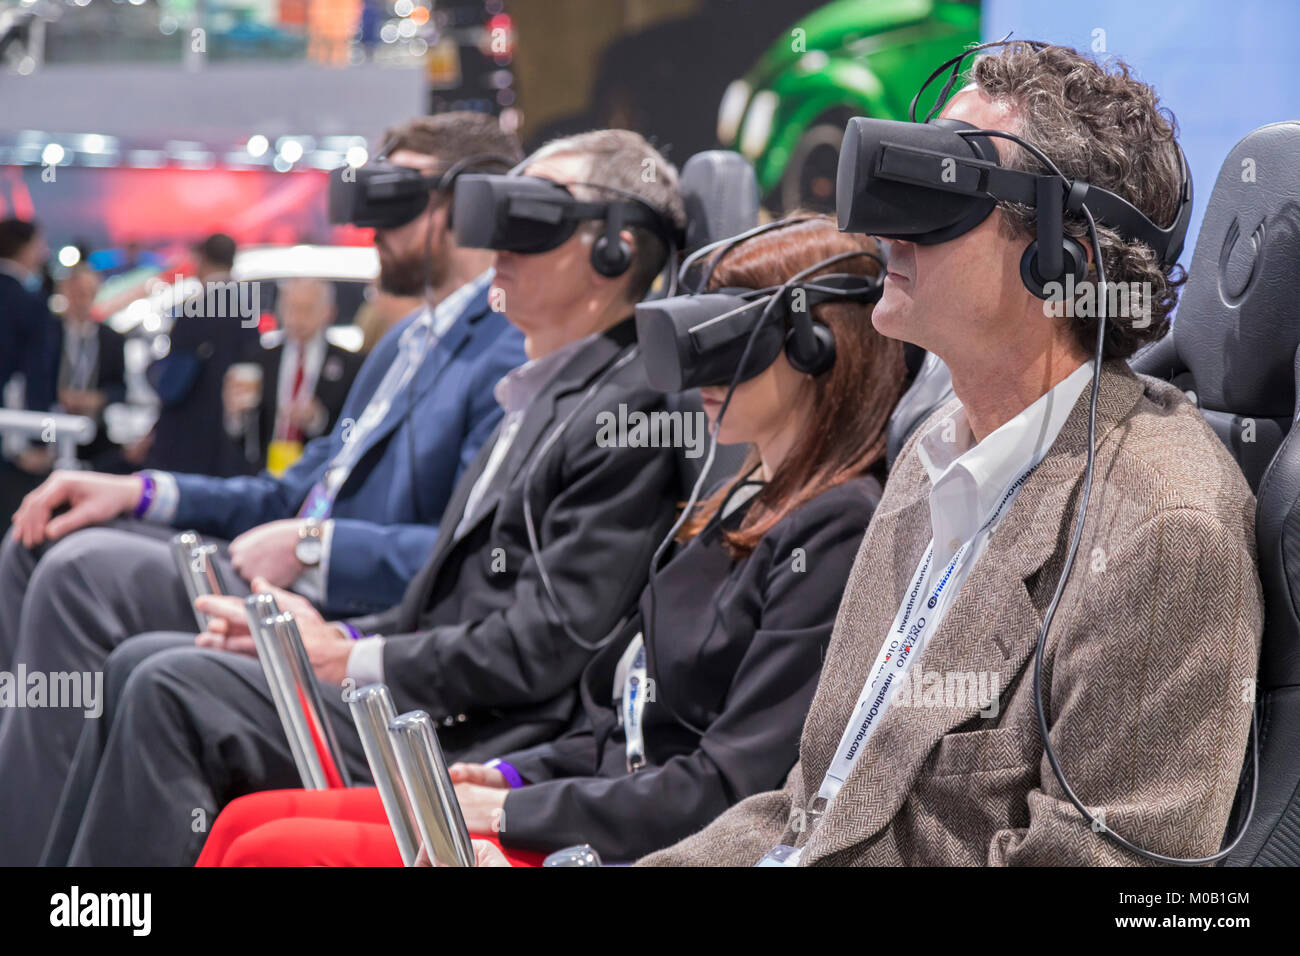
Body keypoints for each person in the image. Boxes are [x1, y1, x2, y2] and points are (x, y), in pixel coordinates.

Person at [633, 41, 1261, 867]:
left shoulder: (1162, 528)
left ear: (1061, 256)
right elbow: (809, 806)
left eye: (938, 188)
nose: (879, 223)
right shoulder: (933, 450)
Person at [49, 128, 691, 867]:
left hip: (481, 730)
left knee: (167, 684)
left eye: (531, 217)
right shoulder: (542, 393)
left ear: (616, 250)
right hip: (428, 691)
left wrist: (351, 657)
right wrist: (341, 640)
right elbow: (441, 596)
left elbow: (547, 645)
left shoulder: (628, 408)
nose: (496, 243)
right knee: (144, 663)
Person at [191, 217, 912, 867]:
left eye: (735, 343)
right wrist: (511, 776)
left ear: (817, 347)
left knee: (272, 851)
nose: (704, 375)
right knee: (245, 824)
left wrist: (516, 809)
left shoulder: (834, 527)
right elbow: (623, 721)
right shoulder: (738, 500)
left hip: (637, 844)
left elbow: (728, 789)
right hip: (580, 800)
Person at [0, 112, 528, 866]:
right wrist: (142, 491)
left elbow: (466, 554)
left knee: (79, 576)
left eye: (394, 199)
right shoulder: (404, 346)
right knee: (47, 542)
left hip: (335, 609)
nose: (370, 227)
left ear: (465, 203)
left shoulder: (505, 350)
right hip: (275, 576)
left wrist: (317, 546)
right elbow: (292, 495)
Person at [141, 232, 262, 477]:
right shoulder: (246, 308)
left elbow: (174, 381)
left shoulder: (196, 309)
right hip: (229, 440)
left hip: (190, 435)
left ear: (202, 259)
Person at [222, 277, 364, 475]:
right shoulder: (260, 359)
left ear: (328, 312)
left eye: (306, 309)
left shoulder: (350, 365)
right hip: (267, 472)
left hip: (318, 471)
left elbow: (354, 428)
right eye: (290, 308)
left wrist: (317, 419)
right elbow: (246, 439)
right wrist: (235, 414)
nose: (297, 319)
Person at [0, 218, 59, 526]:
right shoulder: (26, 303)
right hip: (11, 441)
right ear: (25, 249)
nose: (44, 252)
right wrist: (33, 440)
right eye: (39, 245)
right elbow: (31, 376)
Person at [53, 263, 133, 473]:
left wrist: (98, 399)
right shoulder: (48, 333)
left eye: (90, 293)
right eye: (79, 292)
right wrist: (58, 396)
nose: (83, 300)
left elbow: (121, 389)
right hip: (50, 428)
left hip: (93, 431)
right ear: (66, 292)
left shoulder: (111, 338)